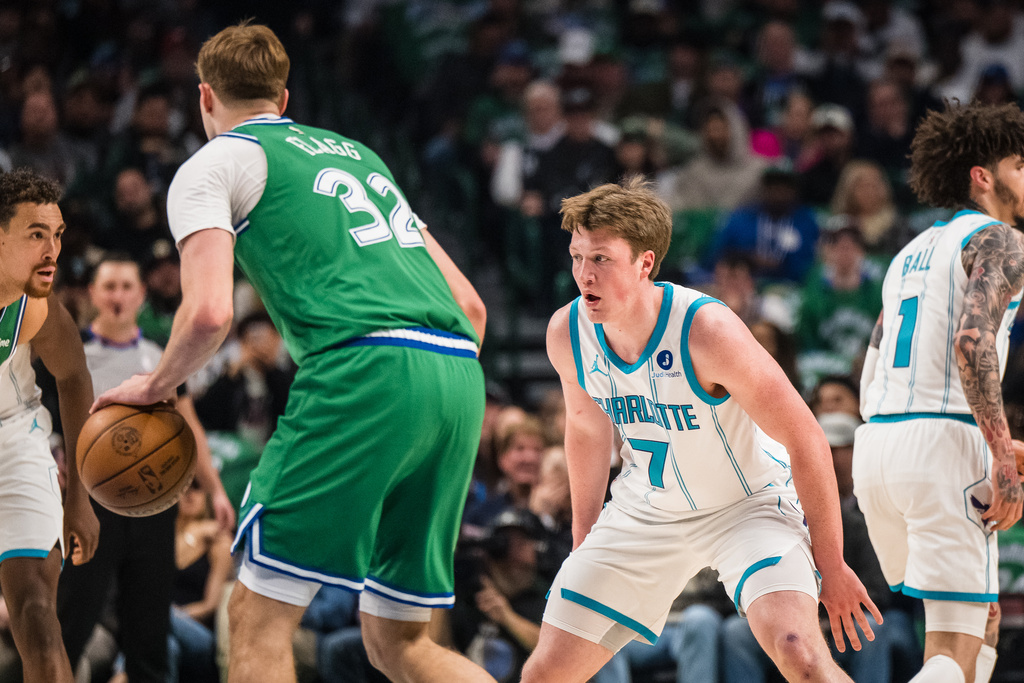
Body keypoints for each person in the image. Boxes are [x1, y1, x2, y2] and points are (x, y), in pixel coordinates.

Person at [94, 22, 493, 683]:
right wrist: (421, 385)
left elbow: (211, 312)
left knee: (256, 617)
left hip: (363, 368)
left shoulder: (213, 163)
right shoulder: (362, 156)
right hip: (457, 372)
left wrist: (154, 383)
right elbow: (474, 307)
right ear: (284, 99)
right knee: (401, 643)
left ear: (204, 99)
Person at [521, 176, 880, 683]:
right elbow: (584, 428)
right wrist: (585, 532)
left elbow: (806, 437)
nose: (584, 273)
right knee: (544, 675)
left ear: (645, 263)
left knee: (800, 654)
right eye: (578, 256)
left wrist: (833, 563)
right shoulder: (568, 331)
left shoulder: (706, 330)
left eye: (601, 258)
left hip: (747, 506)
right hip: (646, 511)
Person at [854, 100, 1024, 683]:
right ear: (983, 176)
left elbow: (869, 371)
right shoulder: (1001, 239)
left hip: (877, 446)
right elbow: (972, 341)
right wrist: (1001, 450)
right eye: (1020, 166)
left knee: (983, 621)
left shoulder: (907, 254)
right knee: (951, 649)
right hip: (945, 443)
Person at [57, 254, 234, 682]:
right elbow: (38, 414)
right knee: (71, 624)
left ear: (140, 295)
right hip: (89, 502)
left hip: (154, 503)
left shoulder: (162, 357)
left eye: (126, 287)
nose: (117, 295)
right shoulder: (68, 350)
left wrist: (215, 490)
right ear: (93, 294)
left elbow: (189, 423)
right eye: (109, 286)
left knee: (150, 633)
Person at [0, 168, 99, 681]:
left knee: (39, 616)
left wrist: (78, 497)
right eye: (36, 234)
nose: (53, 251)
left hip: (13, 437)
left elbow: (74, 376)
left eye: (57, 235)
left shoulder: (33, 307)